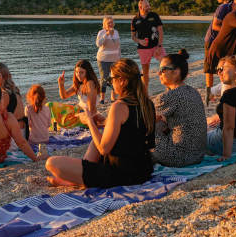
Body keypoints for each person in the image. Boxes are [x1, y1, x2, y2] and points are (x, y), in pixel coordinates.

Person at [45, 59, 155, 188]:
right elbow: (129, 129)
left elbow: (104, 150)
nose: (111, 83)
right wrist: (100, 120)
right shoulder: (148, 104)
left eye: (111, 79)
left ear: (122, 81)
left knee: (51, 163)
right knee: (96, 141)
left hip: (122, 174)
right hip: (143, 170)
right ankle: (82, 177)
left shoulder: (119, 106)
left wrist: (89, 121)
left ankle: (77, 181)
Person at [152, 51, 207, 167]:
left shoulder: (168, 97)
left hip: (179, 157)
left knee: (147, 129)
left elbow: (146, 121)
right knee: (160, 124)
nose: (158, 73)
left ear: (176, 72)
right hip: (197, 155)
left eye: (163, 70)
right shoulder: (193, 91)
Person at [204, 0, 235, 96]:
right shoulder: (232, 7)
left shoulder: (222, 7)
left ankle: (209, 92)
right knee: (222, 65)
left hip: (213, 39)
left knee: (209, 68)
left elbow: (215, 25)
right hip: (224, 41)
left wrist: (226, 31)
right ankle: (222, 88)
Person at [130, 0, 164, 89]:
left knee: (166, 65)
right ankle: (145, 92)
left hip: (156, 46)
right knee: (145, 72)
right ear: (140, 7)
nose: (149, 7)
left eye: (149, 5)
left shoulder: (154, 16)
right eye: (147, 6)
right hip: (143, 49)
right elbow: (133, 37)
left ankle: (169, 89)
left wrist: (159, 46)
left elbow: (160, 31)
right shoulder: (135, 19)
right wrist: (140, 41)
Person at [0, 62, 27, 134]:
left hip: (13, 138)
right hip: (19, 133)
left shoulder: (4, 94)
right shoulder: (12, 90)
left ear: (4, 77)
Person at [95, 16, 122, 103]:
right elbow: (98, 44)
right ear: (104, 24)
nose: (110, 24)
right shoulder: (101, 32)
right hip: (103, 59)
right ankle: (102, 98)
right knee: (104, 78)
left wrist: (119, 58)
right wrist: (106, 34)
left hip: (115, 59)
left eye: (111, 22)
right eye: (108, 23)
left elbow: (118, 46)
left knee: (114, 78)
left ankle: (112, 97)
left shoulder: (116, 32)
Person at [25, 84, 52, 154]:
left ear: (30, 97)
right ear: (43, 97)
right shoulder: (47, 109)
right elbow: (49, 125)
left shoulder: (28, 109)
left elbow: (27, 126)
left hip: (33, 140)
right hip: (46, 139)